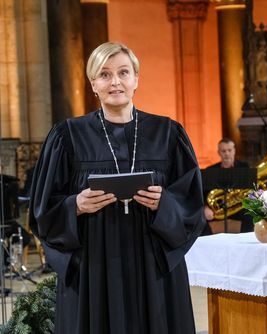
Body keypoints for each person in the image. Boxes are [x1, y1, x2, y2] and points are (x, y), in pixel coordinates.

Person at [29, 42, 205, 334]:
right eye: (105, 74)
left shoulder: (168, 134)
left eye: (124, 72)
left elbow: (191, 203)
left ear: (136, 79)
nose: (115, 82)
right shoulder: (68, 136)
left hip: (152, 263)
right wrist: (75, 205)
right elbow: (42, 210)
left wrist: (165, 203)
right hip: (93, 266)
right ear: (93, 84)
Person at [202, 138, 253, 234]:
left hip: (237, 207)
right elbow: (203, 193)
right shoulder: (210, 170)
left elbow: (250, 188)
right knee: (200, 218)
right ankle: (209, 246)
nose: (227, 153)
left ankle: (245, 244)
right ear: (219, 152)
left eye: (229, 150)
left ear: (234, 151)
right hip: (216, 210)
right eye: (223, 151)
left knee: (249, 214)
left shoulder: (244, 167)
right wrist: (205, 207)